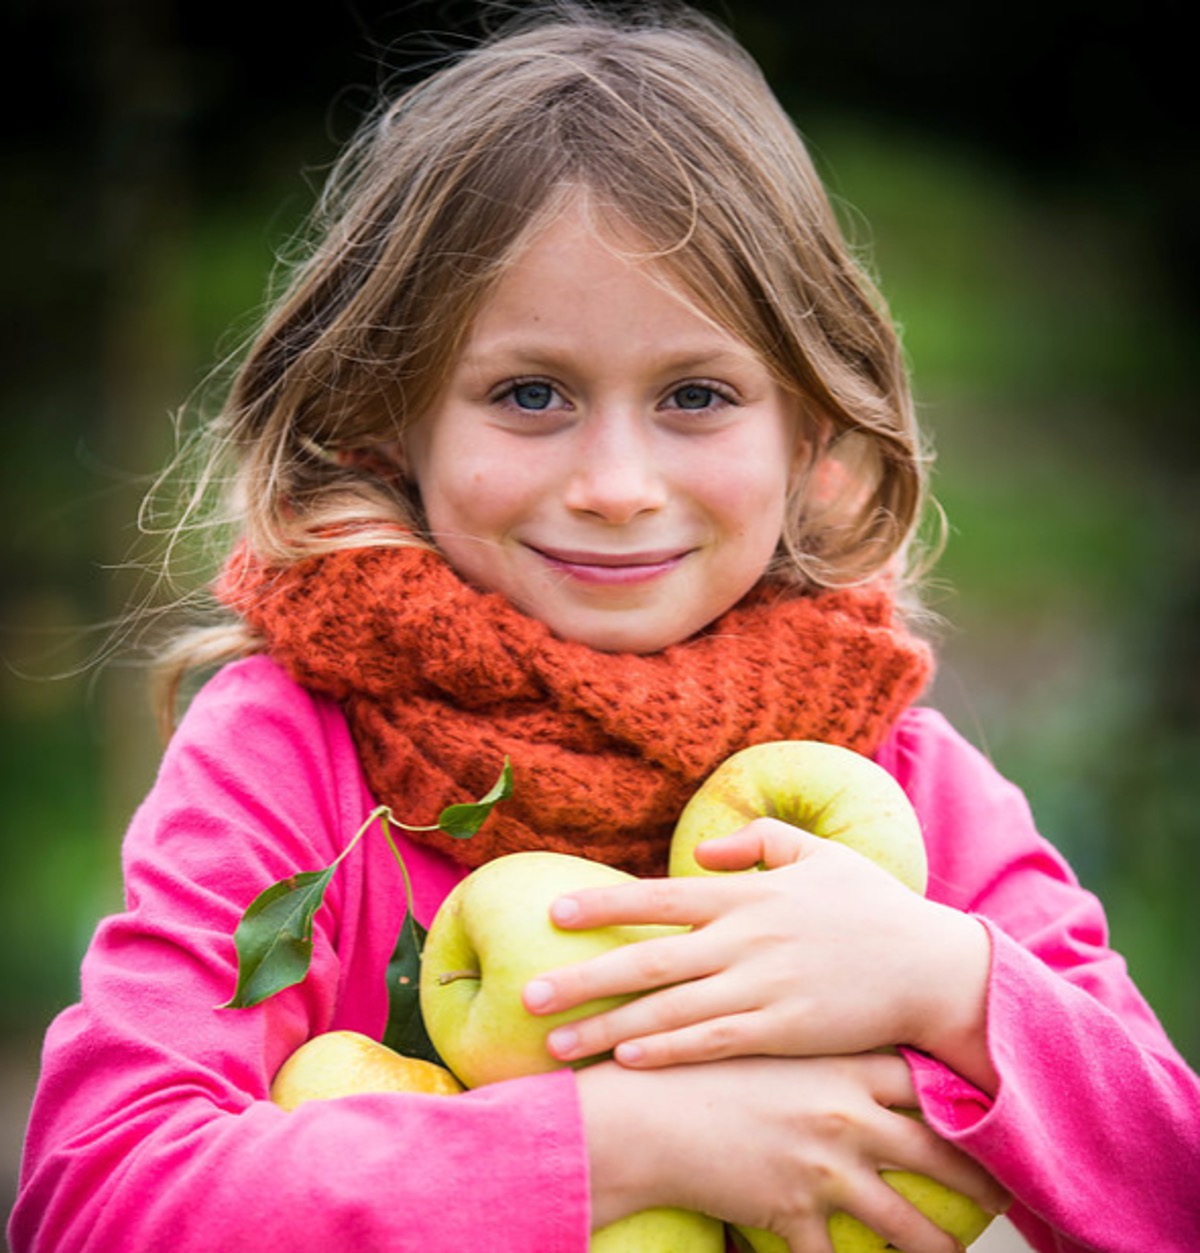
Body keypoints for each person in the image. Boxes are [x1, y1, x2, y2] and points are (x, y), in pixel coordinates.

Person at [10, 4, 1200, 1251]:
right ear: (389, 409)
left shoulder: (888, 779)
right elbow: (95, 1198)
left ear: (808, 429)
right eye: (531, 393)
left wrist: (950, 983)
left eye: (697, 395)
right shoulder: (297, 750)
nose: (618, 483)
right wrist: (622, 1146)